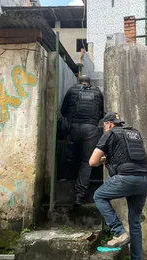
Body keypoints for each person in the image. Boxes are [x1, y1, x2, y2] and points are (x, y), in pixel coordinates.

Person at [89, 112, 147, 260]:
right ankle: (137, 258)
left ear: (109, 124)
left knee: (99, 196)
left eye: (105, 126)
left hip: (126, 179)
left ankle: (119, 232)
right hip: (145, 179)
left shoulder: (109, 134)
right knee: (135, 222)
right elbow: (129, 156)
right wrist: (108, 158)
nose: (105, 129)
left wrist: (102, 160)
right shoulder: (134, 133)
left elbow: (92, 162)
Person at [61, 75, 104, 206]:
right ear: (89, 83)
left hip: (73, 128)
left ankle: (70, 177)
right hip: (91, 129)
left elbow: (63, 110)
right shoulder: (97, 92)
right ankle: (79, 196)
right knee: (87, 161)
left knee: (76, 153)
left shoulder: (72, 90)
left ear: (78, 82)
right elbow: (102, 113)